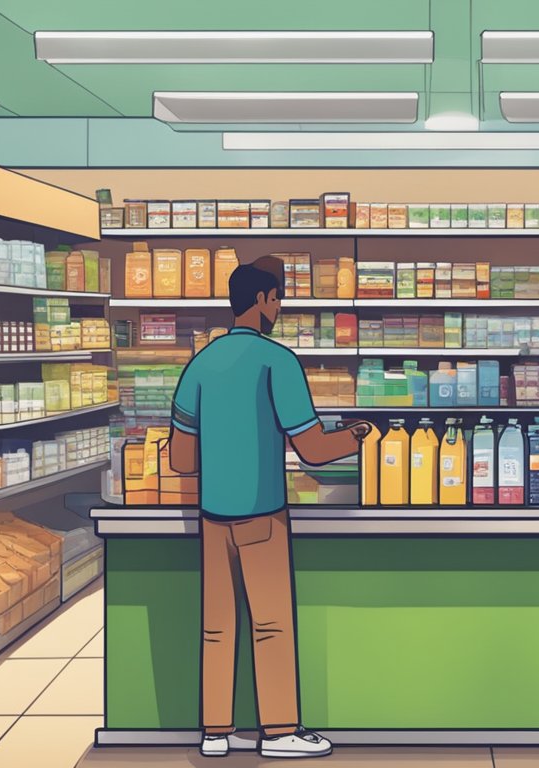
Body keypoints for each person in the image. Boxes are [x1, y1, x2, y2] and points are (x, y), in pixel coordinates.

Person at [168, 255, 370, 759]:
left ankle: (215, 733)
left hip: (213, 517)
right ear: (261, 300)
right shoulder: (278, 361)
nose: (279, 307)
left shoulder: (200, 363)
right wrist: (361, 435)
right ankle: (279, 732)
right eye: (277, 297)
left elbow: (180, 459)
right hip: (262, 513)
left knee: (217, 627)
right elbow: (315, 450)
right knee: (271, 623)